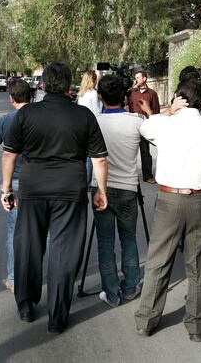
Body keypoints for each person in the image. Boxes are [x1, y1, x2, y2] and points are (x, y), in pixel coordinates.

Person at [1, 62, 109, 334]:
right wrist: (101, 191)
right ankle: (57, 317)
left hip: (33, 187)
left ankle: (26, 305)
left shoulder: (26, 115)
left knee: (28, 246)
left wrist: (6, 190)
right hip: (70, 190)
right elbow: (100, 159)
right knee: (63, 252)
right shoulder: (84, 116)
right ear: (70, 86)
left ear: (43, 86)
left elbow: (9, 155)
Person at [134, 76, 201, 342]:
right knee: (200, 265)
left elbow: (145, 129)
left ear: (179, 98)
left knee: (158, 262)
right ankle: (197, 327)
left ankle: (146, 321)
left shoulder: (166, 125)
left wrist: (168, 111)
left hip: (169, 200)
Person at [91, 75, 143, 307]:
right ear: (124, 96)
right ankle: (131, 286)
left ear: (100, 97)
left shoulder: (94, 122)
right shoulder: (136, 121)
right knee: (129, 238)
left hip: (100, 189)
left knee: (105, 242)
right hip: (128, 189)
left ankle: (111, 293)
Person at [0, 78, 31, 293]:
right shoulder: (40, 117)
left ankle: (14, 278)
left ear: (11, 99)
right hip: (40, 181)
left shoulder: (4, 121)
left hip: (16, 182)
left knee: (15, 231)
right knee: (45, 231)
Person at [127, 70, 159, 184]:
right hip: (132, 125)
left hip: (145, 126)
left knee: (145, 151)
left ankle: (148, 176)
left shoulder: (152, 94)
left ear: (145, 78)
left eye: (138, 77)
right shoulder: (131, 93)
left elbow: (155, 111)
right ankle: (129, 176)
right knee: (129, 151)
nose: (136, 80)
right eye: (135, 78)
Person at [77, 70, 101, 189]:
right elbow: (96, 112)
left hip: (81, 124)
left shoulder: (81, 93)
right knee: (91, 158)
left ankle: (83, 181)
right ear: (93, 80)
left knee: (84, 155)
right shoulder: (93, 94)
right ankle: (88, 183)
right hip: (91, 126)